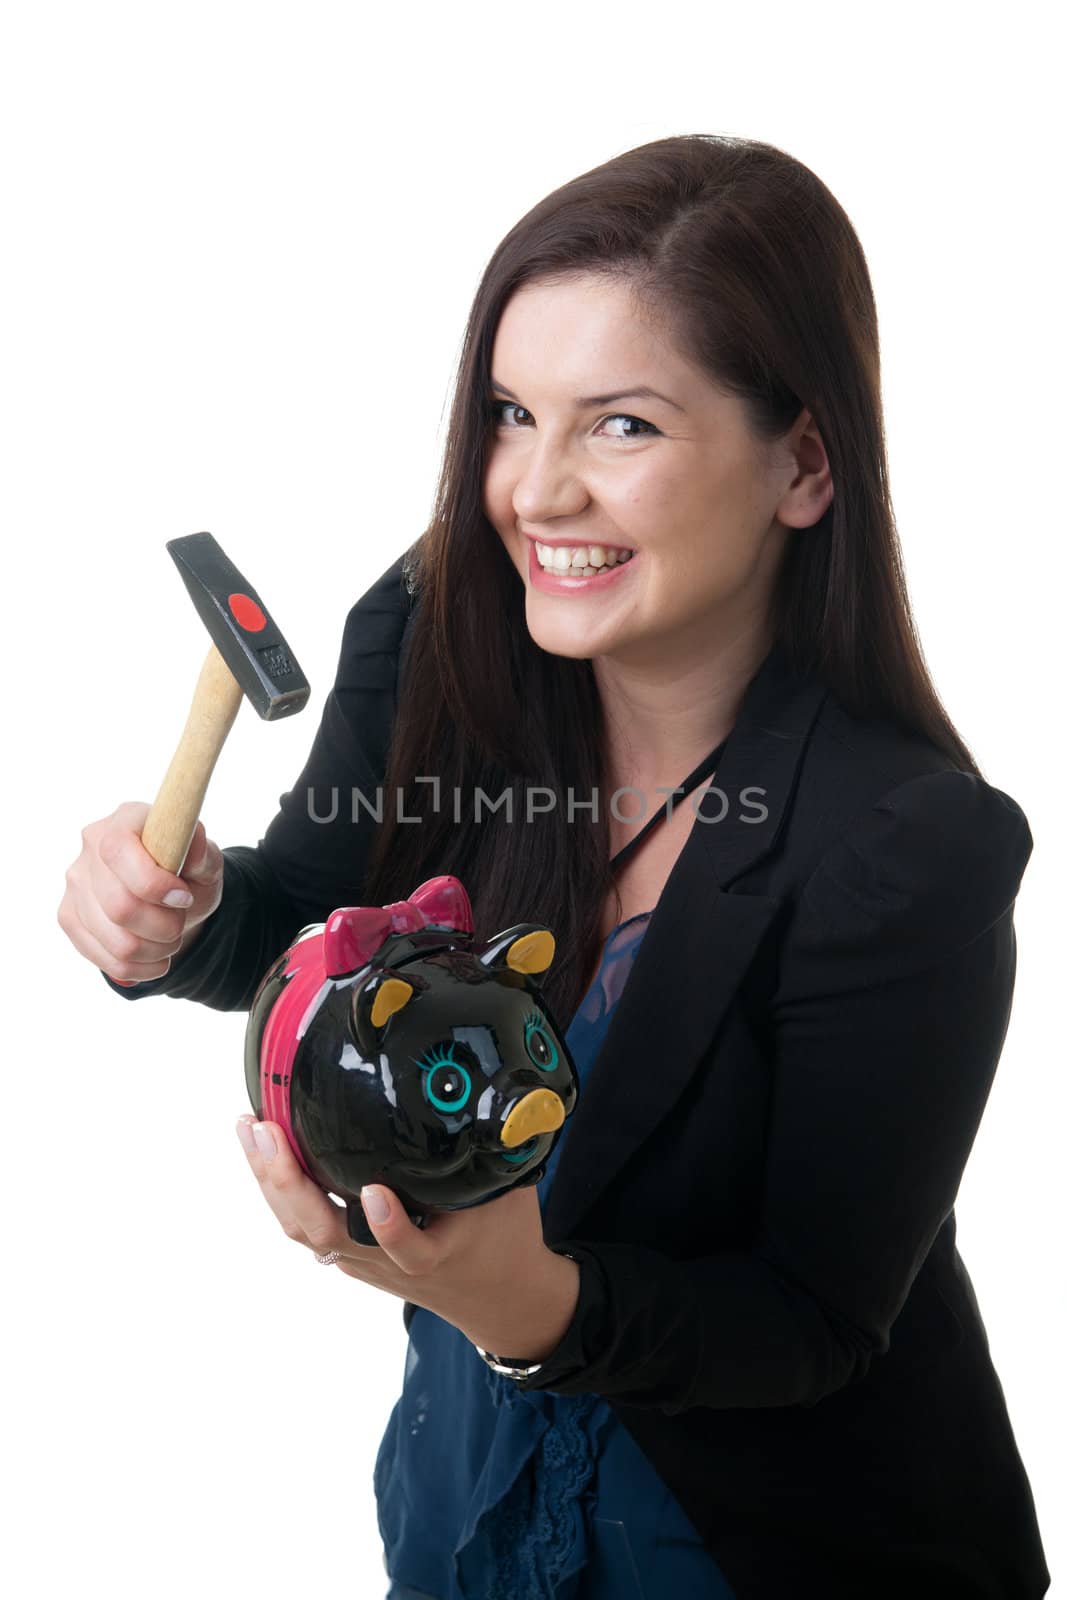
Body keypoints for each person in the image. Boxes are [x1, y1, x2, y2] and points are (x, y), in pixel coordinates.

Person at [57, 133, 1051, 1599]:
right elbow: (305, 915)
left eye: (624, 427)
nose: (535, 491)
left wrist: (533, 1312)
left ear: (803, 462)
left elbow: (814, 1320)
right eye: (513, 414)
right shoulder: (435, 643)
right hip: (472, 1513)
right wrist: (185, 916)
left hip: (780, 1552)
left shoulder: (910, 847)